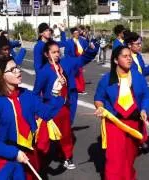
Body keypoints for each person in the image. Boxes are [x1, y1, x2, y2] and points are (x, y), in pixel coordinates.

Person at [0, 55, 65, 180]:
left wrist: (55, 92)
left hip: (30, 154)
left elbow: (47, 114)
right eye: (12, 69)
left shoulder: (27, 95)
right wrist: (14, 153)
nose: (18, 71)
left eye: (17, 67)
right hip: (6, 160)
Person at [33, 40, 99, 169]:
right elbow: (35, 93)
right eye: (54, 52)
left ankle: (67, 156)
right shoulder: (44, 71)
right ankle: (38, 160)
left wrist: (92, 49)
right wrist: (37, 111)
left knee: (66, 134)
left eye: (58, 51)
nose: (57, 54)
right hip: (49, 109)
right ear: (47, 54)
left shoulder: (66, 63)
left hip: (64, 107)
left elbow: (81, 60)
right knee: (44, 139)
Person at [94, 45, 149, 180]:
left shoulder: (138, 77)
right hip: (114, 123)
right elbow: (98, 98)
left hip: (133, 123)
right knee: (114, 159)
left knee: (129, 157)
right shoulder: (107, 79)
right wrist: (100, 107)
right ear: (115, 60)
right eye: (124, 56)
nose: (129, 59)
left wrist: (144, 109)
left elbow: (146, 96)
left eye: (129, 56)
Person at [64, 27, 89, 94]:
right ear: (72, 34)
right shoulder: (69, 42)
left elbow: (87, 46)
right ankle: (78, 89)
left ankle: (78, 88)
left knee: (78, 74)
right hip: (73, 60)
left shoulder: (81, 40)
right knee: (76, 74)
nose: (77, 34)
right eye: (75, 33)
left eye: (77, 32)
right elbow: (66, 53)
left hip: (80, 59)